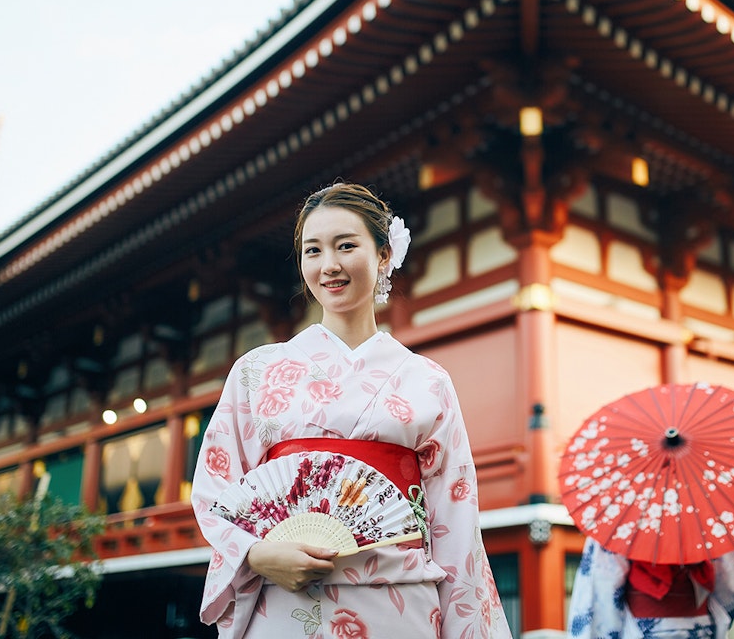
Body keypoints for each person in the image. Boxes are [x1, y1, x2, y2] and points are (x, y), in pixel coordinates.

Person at [191, 182, 511, 638]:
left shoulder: (427, 380)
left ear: (383, 255)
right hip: (286, 595)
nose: (329, 266)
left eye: (346, 246)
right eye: (313, 251)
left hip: (400, 600)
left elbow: (454, 520)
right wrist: (256, 555)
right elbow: (214, 489)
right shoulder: (257, 371)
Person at [567, 538, 734, 639]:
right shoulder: (706, 512)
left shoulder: (619, 515)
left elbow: (602, 590)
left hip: (645, 630)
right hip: (701, 629)